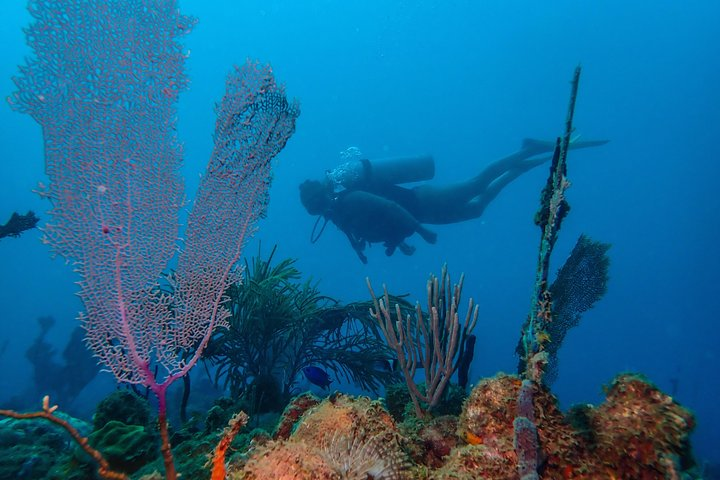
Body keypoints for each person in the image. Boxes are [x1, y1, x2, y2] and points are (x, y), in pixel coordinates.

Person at [299, 138, 607, 263]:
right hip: (420, 215)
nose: (315, 210)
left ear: (322, 196)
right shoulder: (337, 215)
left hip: (421, 202)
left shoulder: (349, 200)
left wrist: (420, 230)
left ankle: (527, 150)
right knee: (476, 209)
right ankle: (521, 167)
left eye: (314, 204)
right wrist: (391, 243)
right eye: (311, 209)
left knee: (476, 183)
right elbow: (365, 231)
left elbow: (389, 207)